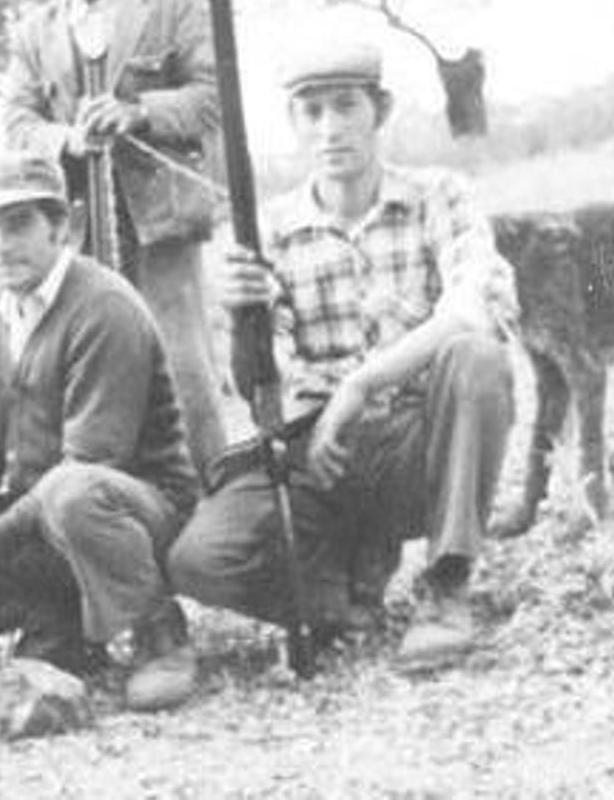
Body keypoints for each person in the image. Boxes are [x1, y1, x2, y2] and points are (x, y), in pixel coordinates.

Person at [164, 36, 518, 672]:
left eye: (345, 106)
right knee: (200, 557)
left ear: (379, 112)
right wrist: (238, 313)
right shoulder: (265, 229)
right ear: (295, 123)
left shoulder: (439, 194)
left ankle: (447, 586)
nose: (330, 128)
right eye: (311, 110)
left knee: (477, 359)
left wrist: (358, 387)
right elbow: (259, 384)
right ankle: (341, 594)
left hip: (420, 439)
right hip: (322, 449)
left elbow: (473, 306)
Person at [0, 152, 203, 712]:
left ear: (64, 225)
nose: (1, 244)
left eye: (19, 223)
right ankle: (60, 623)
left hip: (135, 513)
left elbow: (88, 462)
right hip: (39, 517)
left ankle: (158, 630)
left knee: (73, 495)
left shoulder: (103, 306)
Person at [1, 0, 228, 475]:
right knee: (91, 372)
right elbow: (17, 123)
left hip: (160, 221)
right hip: (74, 232)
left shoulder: (169, 2)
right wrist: (65, 139)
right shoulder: (34, 32)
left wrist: (137, 112)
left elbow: (212, 94)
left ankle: (214, 504)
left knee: (182, 369)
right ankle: (111, 510)